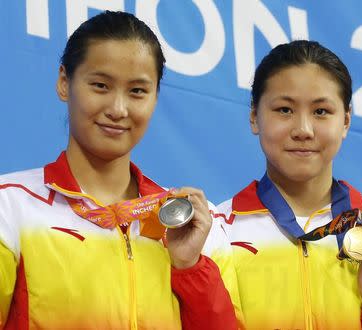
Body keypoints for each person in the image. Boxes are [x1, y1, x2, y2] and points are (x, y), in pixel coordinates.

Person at [0, 11, 238, 329]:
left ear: (155, 98)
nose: (118, 109)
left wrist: (189, 268)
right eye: (100, 85)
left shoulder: (196, 224)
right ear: (64, 82)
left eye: (137, 91)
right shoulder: (10, 208)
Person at [215, 40, 362, 329]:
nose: (303, 129)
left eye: (321, 111)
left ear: (346, 121)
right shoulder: (218, 231)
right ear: (254, 117)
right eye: (285, 110)